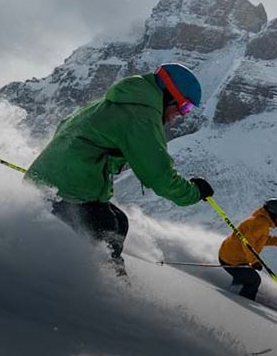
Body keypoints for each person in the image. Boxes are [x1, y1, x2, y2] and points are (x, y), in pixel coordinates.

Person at [26, 63, 215, 273]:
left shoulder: (123, 99)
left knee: (119, 222)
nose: (182, 114)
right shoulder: (142, 115)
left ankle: (99, 275)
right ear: (169, 95)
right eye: (185, 106)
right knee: (107, 229)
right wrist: (194, 193)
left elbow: (65, 126)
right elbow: (158, 176)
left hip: (51, 179)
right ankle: (96, 287)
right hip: (65, 189)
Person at [218, 199, 277, 300]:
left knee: (245, 277)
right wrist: (254, 261)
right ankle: (244, 303)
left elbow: (260, 240)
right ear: (273, 213)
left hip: (231, 256)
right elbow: (247, 243)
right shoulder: (262, 224)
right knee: (254, 280)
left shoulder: (262, 221)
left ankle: (233, 293)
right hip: (232, 259)